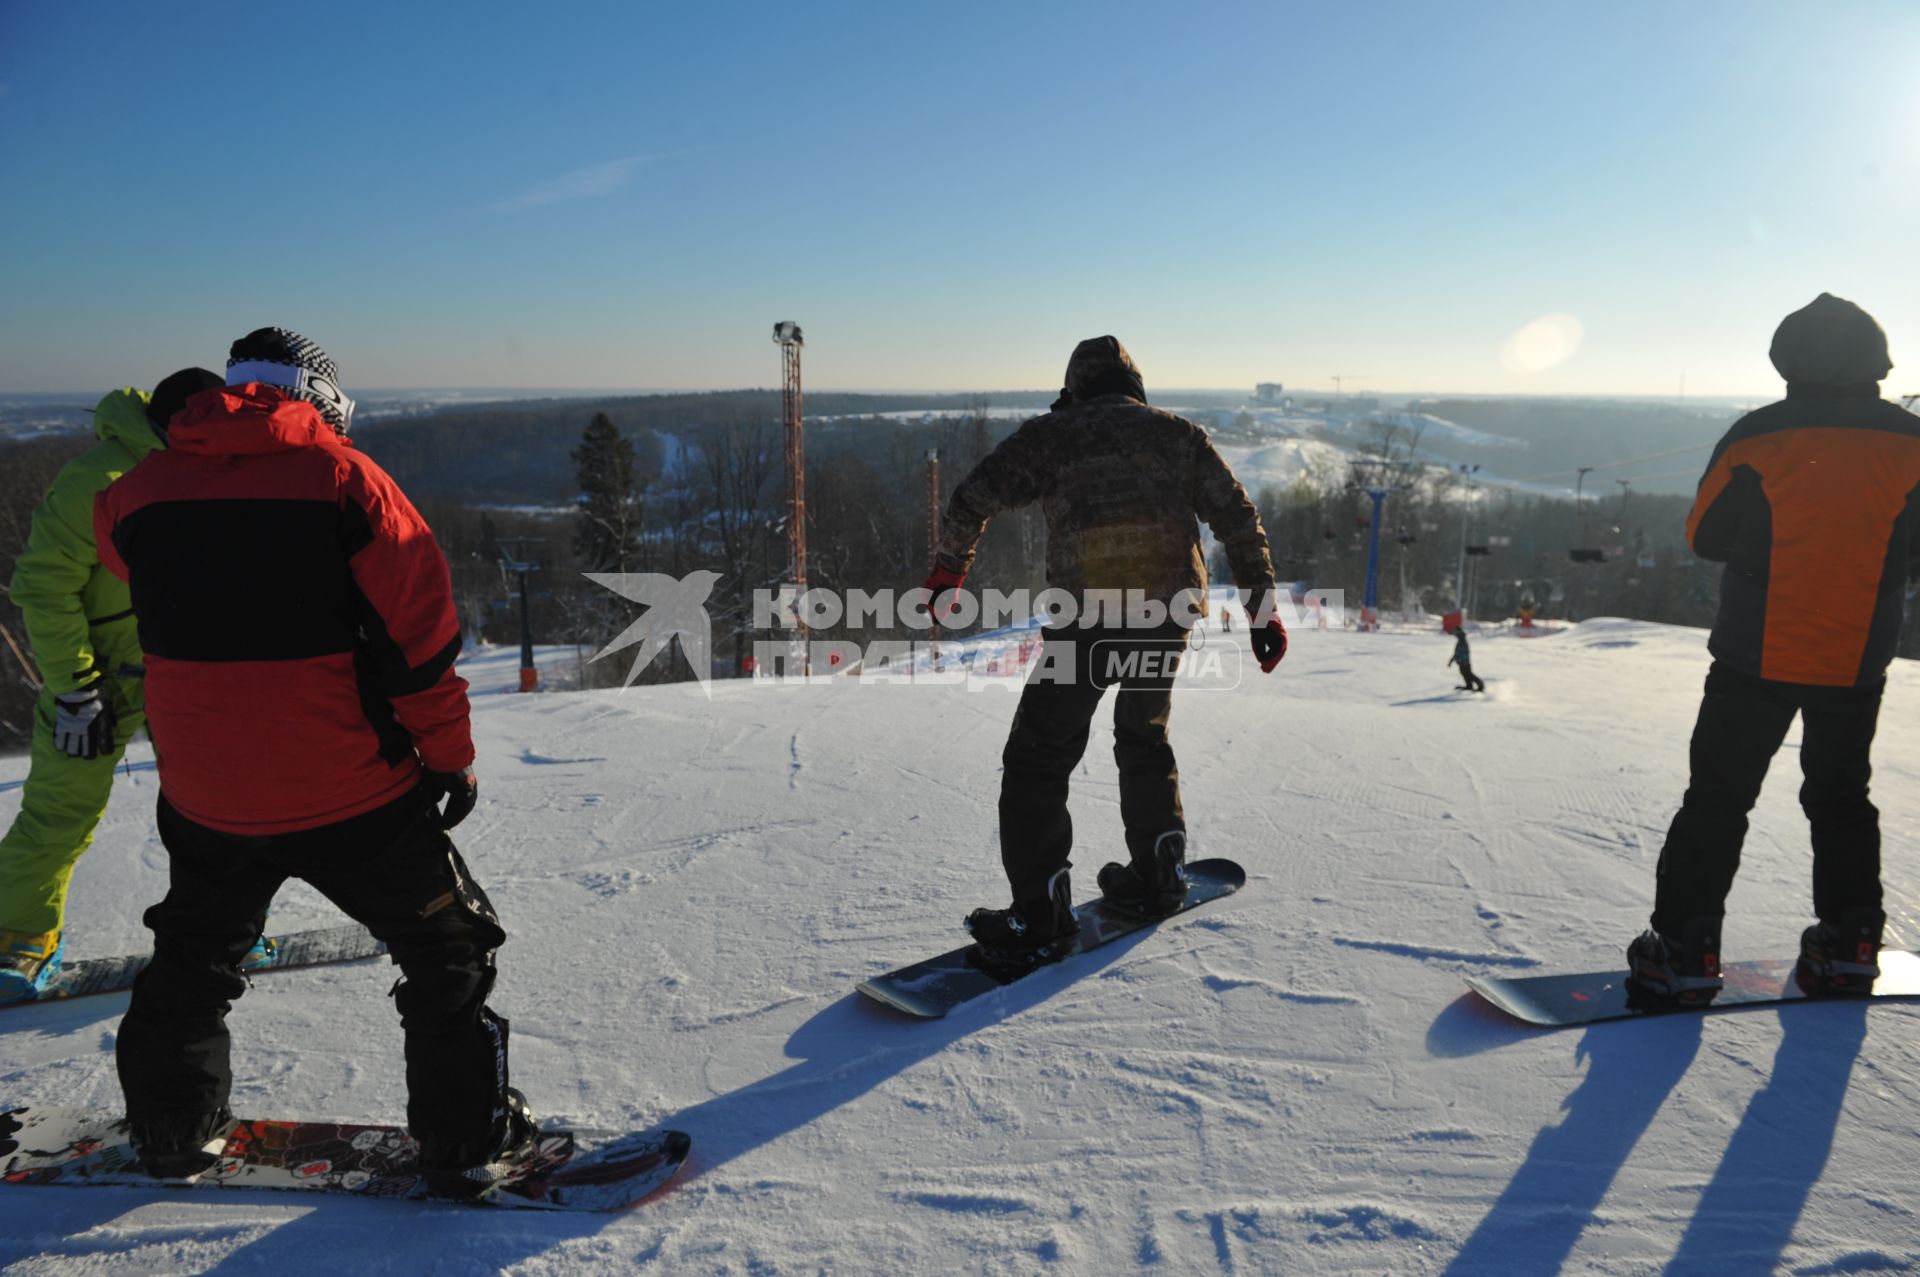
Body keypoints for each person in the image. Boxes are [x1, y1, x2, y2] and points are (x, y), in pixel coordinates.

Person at [94, 328, 532, 1197]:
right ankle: (464, 1139)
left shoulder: (135, 493)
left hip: (205, 792)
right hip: (353, 789)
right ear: (322, 400)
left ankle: (173, 1130)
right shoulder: (348, 482)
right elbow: (422, 650)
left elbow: (131, 572)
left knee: (194, 954)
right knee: (446, 949)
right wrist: (450, 762)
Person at [923, 336, 1285, 965]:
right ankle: (1160, 869)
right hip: (1168, 613)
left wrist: (949, 573)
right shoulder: (1179, 436)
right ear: (1134, 386)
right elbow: (1237, 517)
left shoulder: (1051, 436)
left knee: (1039, 757)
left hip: (1088, 620)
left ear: (1076, 388)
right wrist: (1261, 610)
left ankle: (1042, 913)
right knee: (1143, 735)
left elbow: (971, 497)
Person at [1626, 293, 1920, 1007]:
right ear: (1877, 360)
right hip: (1856, 656)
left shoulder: (1759, 436)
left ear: (1786, 357)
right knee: (1843, 795)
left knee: (1719, 799)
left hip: (1754, 655)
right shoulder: (1912, 442)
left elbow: (1703, 536)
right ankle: (1851, 943)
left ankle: (1685, 950)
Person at [0, 368, 228, 1004]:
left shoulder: (215, 466)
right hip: (101, 677)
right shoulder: (99, 478)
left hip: (186, 672)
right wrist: (75, 684)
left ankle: (225, 928)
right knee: (58, 810)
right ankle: (14, 936)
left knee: (222, 811)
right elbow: (44, 585)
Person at [1448, 626, 1485, 693]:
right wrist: (1451, 660)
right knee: (1464, 673)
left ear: (1458, 632)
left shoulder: (1462, 640)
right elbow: (1457, 652)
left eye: (1455, 632)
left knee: (1468, 674)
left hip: (1464, 662)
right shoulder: (1460, 639)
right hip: (1462, 662)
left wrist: (1462, 660)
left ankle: (1480, 685)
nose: (1454, 634)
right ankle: (1469, 685)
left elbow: (1465, 652)